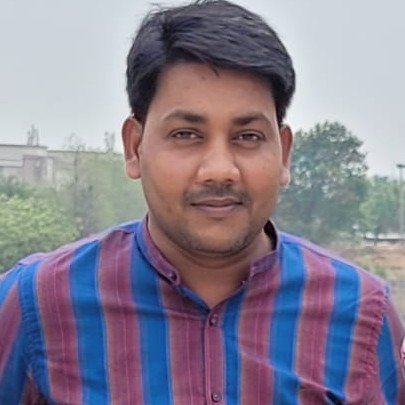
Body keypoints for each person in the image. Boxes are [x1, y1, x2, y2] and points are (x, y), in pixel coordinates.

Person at [1, 0, 404, 403]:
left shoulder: (360, 316)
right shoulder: (38, 305)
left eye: (248, 137)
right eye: (186, 135)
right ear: (135, 147)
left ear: (283, 153)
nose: (219, 170)